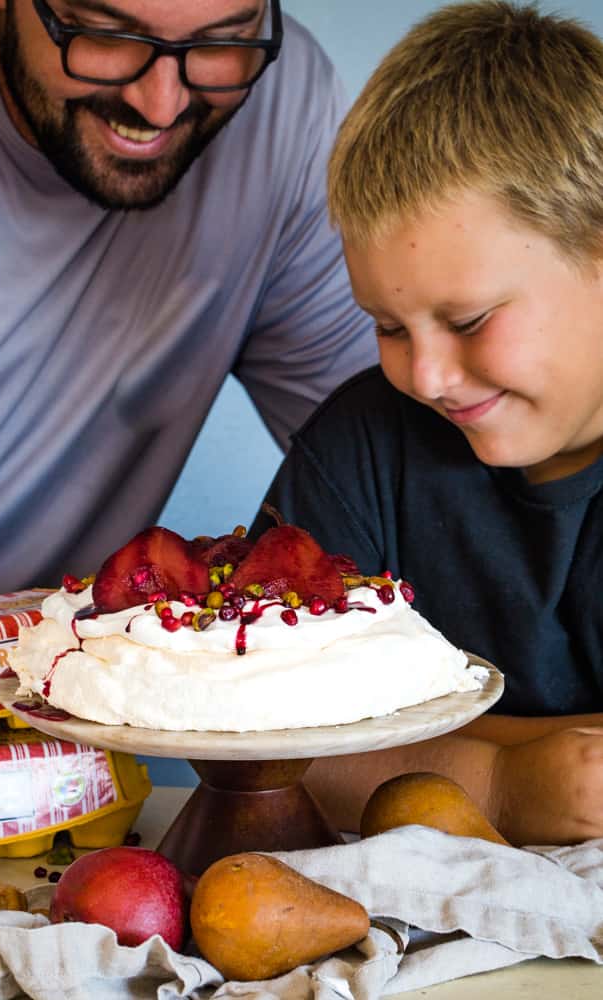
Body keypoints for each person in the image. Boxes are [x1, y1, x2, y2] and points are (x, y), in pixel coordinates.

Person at [252, 1, 603, 846]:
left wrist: (410, 745)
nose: (428, 377)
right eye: (389, 327)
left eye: (471, 319)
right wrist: (501, 780)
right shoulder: (357, 448)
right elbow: (262, 742)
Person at [0, 0, 375, 601]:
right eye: (106, 34)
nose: (160, 104)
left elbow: (397, 466)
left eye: (222, 40)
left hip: (51, 672)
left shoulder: (286, 108)